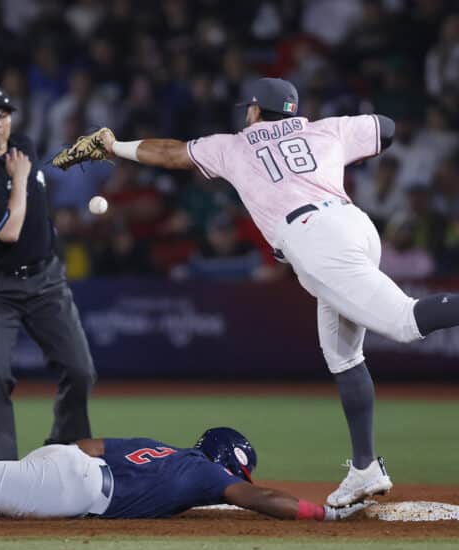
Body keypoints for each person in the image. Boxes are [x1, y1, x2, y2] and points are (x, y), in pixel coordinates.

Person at [58, 77, 459, 507]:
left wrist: (114, 146)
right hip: (355, 225)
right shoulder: (325, 130)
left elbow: (171, 153)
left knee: (403, 321)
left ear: (254, 110)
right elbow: (387, 127)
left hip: (314, 238)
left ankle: (366, 468)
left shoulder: (235, 145)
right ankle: (364, 469)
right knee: (343, 356)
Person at [0, 87, 96, 460]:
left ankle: (67, 452)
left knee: (80, 370)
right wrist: (20, 179)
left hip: (46, 281)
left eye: (4, 113)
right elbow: (9, 231)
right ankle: (1, 470)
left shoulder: (24, 145)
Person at [0, 427, 365, 521]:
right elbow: (261, 498)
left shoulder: (160, 449)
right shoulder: (205, 474)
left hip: (69, 463)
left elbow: (87, 445)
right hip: (77, 490)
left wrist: (37, 472)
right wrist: (322, 514)